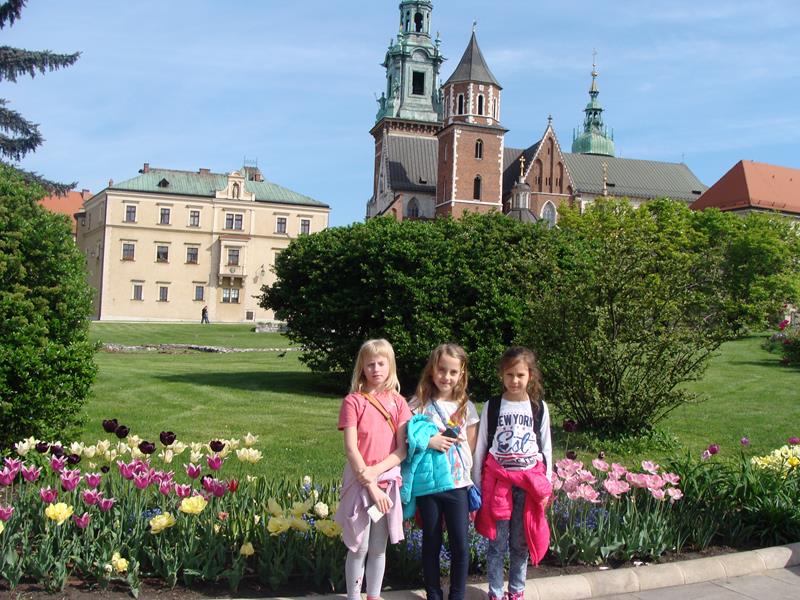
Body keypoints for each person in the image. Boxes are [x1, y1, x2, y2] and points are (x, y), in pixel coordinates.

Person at [472, 347, 553, 600]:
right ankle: (496, 593)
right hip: (498, 485)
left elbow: (546, 448)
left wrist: (546, 487)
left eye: (520, 375)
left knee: (520, 543)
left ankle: (516, 591)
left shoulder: (538, 408)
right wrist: (477, 484)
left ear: (530, 376)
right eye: (509, 374)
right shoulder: (493, 406)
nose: (514, 380)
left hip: (528, 486)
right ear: (502, 375)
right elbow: (481, 446)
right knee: (496, 544)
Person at [334, 339, 411, 600]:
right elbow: (351, 448)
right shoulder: (353, 402)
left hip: (386, 481)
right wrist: (369, 483)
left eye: (381, 363)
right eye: (370, 364)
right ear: (362, 368)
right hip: (360, 481)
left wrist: (376, 472)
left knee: (379, 546)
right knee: (359, 545)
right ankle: (354, 596)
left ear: (390, 366)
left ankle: (374, 595)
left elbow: (401, 450)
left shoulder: (399, 403)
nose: (376, 369)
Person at [404, 343, 479, 600]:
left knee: (460, 544)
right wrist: (430, 441)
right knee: (431, 541)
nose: (446, 377)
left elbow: (471, 447)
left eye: (453, 372)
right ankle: (433, 594)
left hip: (457, 484)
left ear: (461, 374)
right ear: (432, 370)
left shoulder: (466, 407)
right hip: (429, 485)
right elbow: (407, 439)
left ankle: (457, 595)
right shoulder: (418, 404)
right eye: (441, 370)